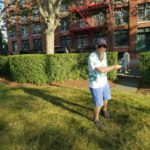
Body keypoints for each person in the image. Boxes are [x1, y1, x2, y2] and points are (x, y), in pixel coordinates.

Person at [88, 38, 122, 128]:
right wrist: (114, 67)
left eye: (104, 46)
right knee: (98, 103)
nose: (102, 48)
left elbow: (105, 67)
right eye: (100, 46)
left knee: (106, 98)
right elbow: (102, 69)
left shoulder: (104, 54)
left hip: (104, 82)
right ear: (97, 46)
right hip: (95, 84)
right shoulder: (92, 56)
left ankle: (105, 110)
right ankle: (96, 119)